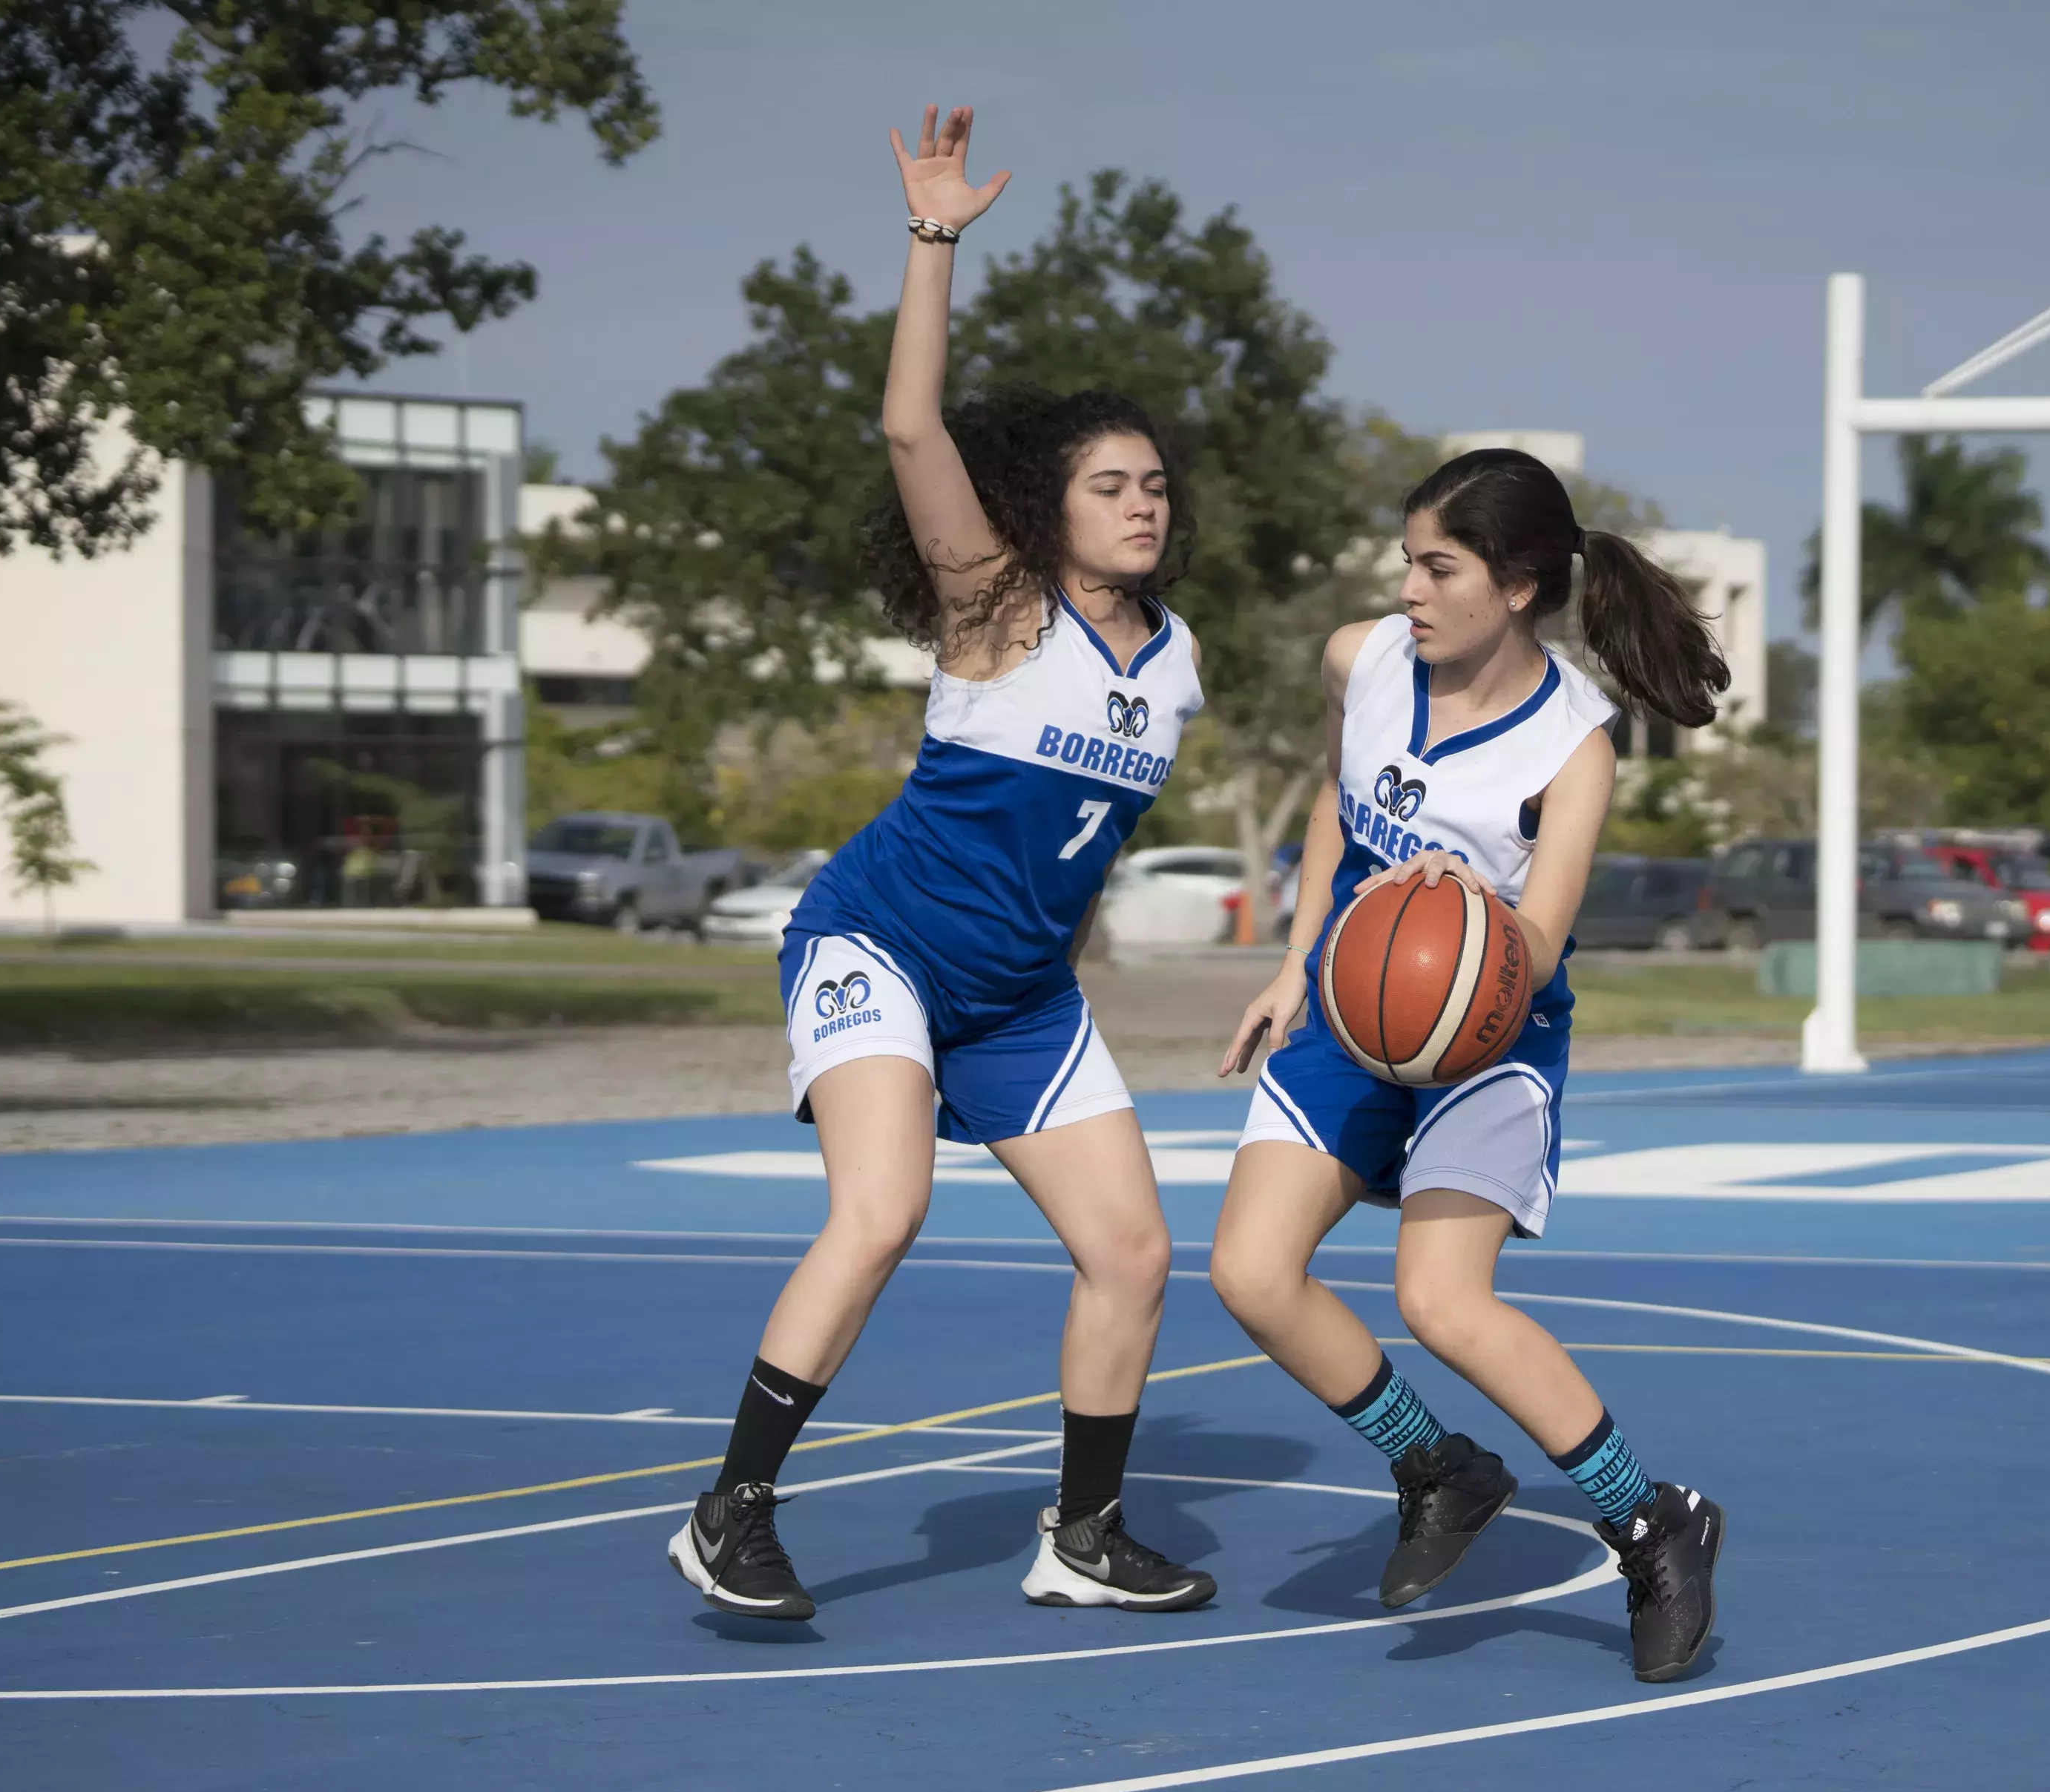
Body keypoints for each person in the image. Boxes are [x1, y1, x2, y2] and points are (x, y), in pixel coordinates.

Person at [668, 103, 1214, 1622]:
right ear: (1049, 506)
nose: (1143, 500)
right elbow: (914, 428)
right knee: (883, 1207)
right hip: (882, 945)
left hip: (1019, 993)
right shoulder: (998, 610)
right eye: (1112, 483)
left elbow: (1077, 855)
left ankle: (1083, 1533)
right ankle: (733, 1508)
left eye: (1156, 483)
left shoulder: (1172, 663)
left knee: (1133, 1247)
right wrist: (931, 239)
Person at [1208, 449, 1733, 1684]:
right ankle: (1439, 1466)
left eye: (1438, 567)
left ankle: (1649, 1521)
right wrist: (1296, 959)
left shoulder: (1573, 745)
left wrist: (1467, 905)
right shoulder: (1364, 659)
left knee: (1442, 1301)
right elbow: (1339, 804)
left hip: (1490, 1034)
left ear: (1516, 587)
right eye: (1406, 561)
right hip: (1352, 1001)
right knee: (1248, 1271)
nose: (1409, 589)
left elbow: (1539, 944)